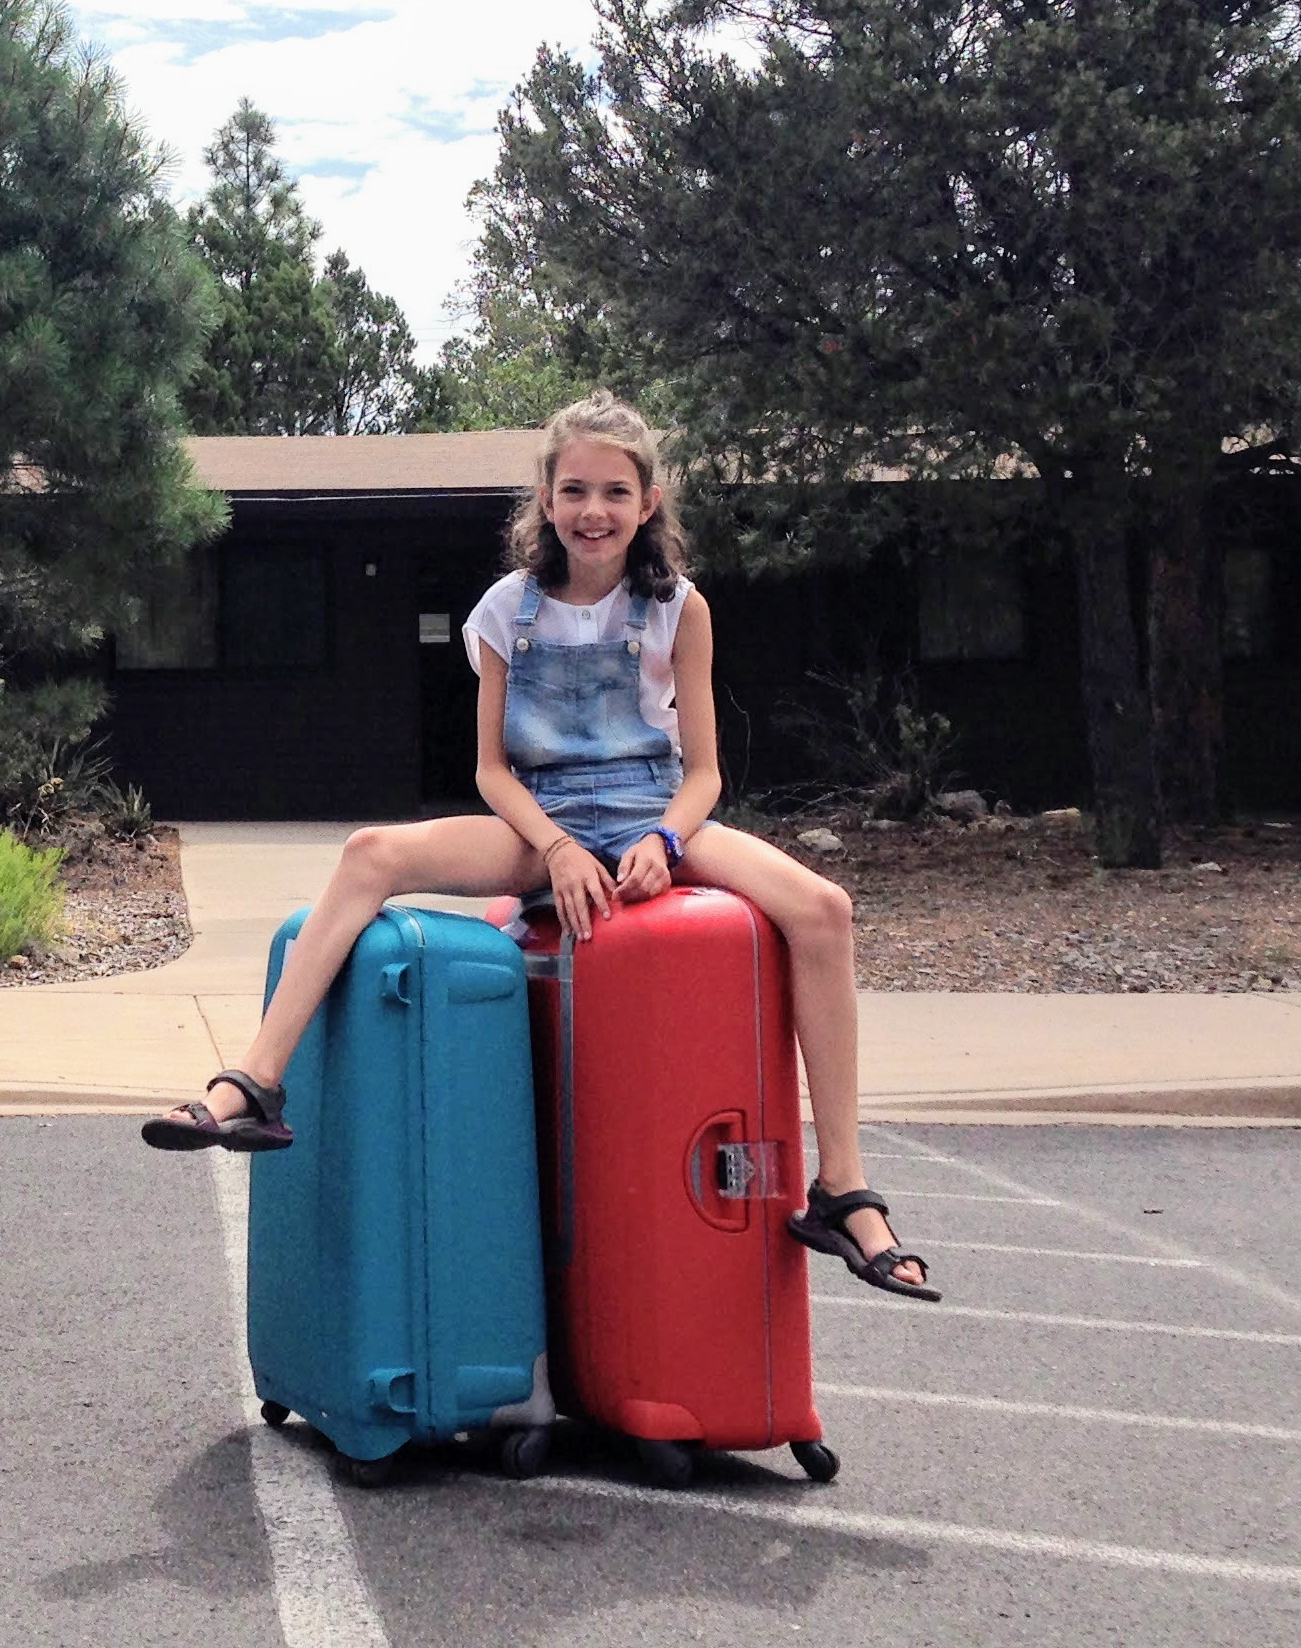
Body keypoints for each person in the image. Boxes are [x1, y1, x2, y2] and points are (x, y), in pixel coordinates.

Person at [140, 391, 937, 1302]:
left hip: (651, 814)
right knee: (368, 853)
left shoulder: (681, 608)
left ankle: (840, 1186)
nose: (593, 511)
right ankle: (257, 1084)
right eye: (574, 490)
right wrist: (555, 847)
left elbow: (707, 773)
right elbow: (489, 770)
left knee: (823, 909)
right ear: (546, 501)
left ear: (649, 503)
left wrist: (667, 843)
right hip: (539, 821)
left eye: (614, 492)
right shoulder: (503, 610)